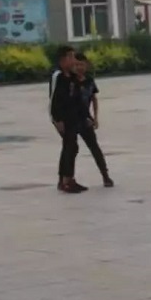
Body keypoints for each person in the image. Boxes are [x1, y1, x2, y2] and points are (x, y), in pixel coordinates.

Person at [74, 52, 114, 188]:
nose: (79, 67)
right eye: (76, 65)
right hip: (72, 119)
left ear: (86, 65)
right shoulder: (70, 81)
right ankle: (66, 178)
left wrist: (95, 117)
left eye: (82, 64)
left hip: (86, 120)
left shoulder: (89, 81)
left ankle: (105, 175)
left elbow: (94, 99)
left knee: (95, 148)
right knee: (70, 150)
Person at [50, 45, 85, 194]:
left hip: (72, 117)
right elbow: (53, 99)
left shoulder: (71, 76)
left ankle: (67, 179)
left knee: (71, 147)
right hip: (62, 118)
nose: (74, 60)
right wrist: (57, 119)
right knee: (70, 147)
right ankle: (66, 181)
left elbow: (77, 97)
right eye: (70, 57)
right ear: (62, 59)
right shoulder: (57, 76)